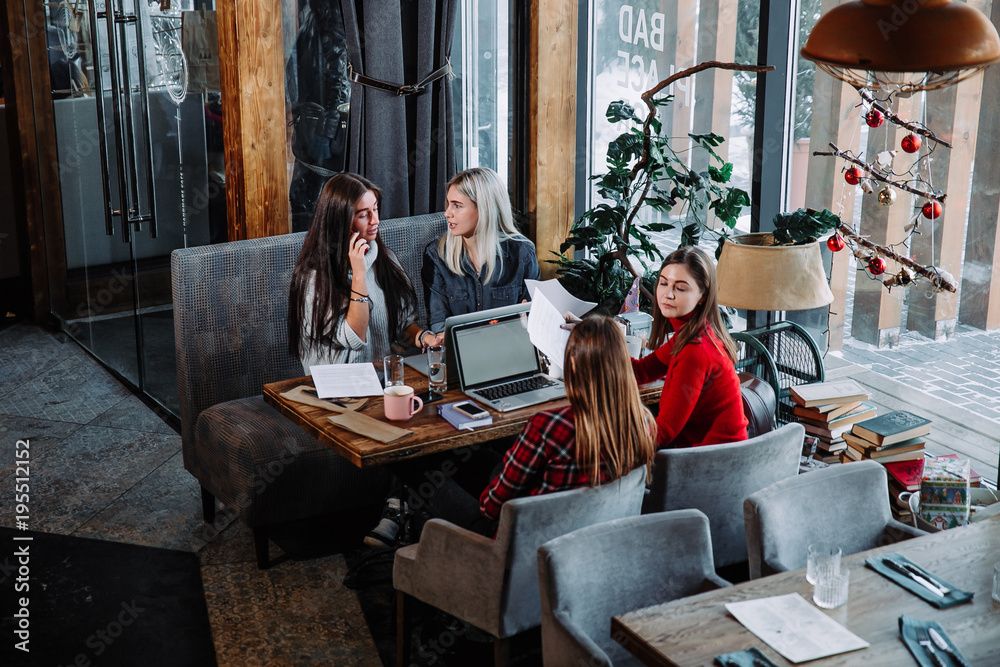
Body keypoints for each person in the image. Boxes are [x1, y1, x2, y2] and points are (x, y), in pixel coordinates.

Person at [368, 315, 658, 544]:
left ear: (572, 364)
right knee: (475, 457)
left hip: (506, 540)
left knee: (411, 462)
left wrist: (497, 486)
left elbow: (490, 507)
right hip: (582, 537)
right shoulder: (642, 422)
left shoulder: (549, 426)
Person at [288, 173, 430, 371]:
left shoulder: (385, 258)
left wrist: (425, 338)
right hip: (337, 390)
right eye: (364, 215)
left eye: (375, 209)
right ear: (340, 222)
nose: (375, 220)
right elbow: (354, 338)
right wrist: (359, 273)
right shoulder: (314, 277)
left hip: (382, 379)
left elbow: (401, 325)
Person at [632, 246, 749, 449]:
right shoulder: (691, 333)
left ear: (703, 296)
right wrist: (590, 337)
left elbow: (662, 433)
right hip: (711, 458)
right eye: (663, 283)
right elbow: (641, 372)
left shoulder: (696, 350)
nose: (667, 294)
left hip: (714, 467)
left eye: (680, 288)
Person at [421, 167, 540, 337]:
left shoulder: (523, 253)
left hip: (510, 351)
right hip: (460, 353)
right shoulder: (436, 255)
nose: (447, 213)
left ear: (484, 209)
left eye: (457, 206)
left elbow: (531, 318)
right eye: (448, 204)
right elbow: (438, 323)